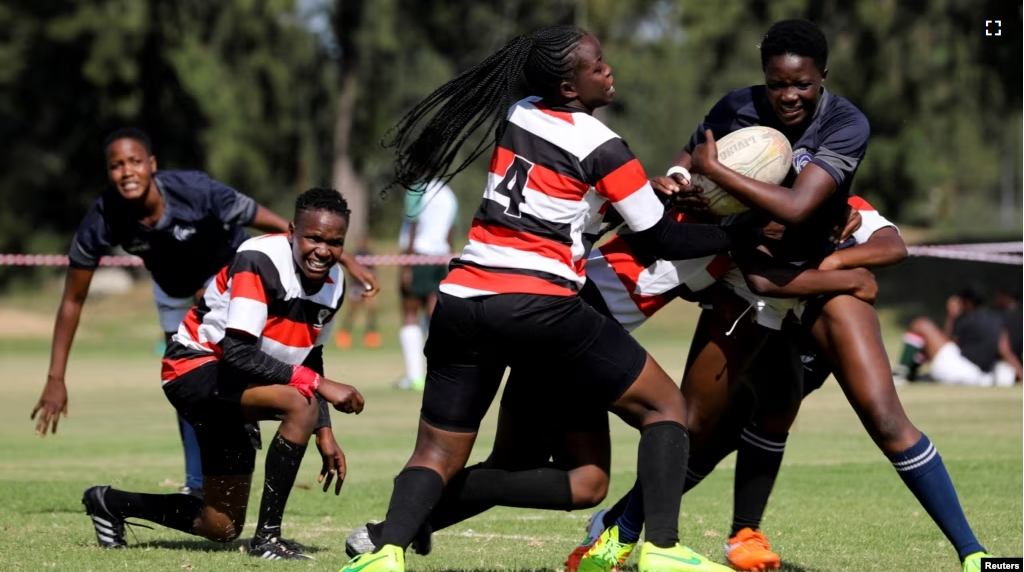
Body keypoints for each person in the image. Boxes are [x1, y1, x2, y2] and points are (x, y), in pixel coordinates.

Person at [577, 19, 993, 572]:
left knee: (882, 415)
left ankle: (975, 555)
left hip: (809, 277)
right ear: (764, 78)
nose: (789, 95)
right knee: (700, 424)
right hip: (746, 280)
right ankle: (619, 531)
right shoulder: (737, 108)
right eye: (777, 83)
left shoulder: (845, 126)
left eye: (802, 83)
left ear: (823, 76)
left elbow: (809, 214)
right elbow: (708, 184)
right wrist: (686, 174)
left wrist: (837, 266)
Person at [339, 25, 744, 572]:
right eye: (596, 65)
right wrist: (739, 234)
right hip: (539, 305)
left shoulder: (521, 113)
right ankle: (663, 550)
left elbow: (570, 198)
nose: (608, 69)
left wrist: (642, 189)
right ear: (570, 87)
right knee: (665, 408)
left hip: (461, 300)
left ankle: (384, 553)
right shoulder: (603, 147)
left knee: (438, 453)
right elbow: (661, 241)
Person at [30, 128, 378, 499]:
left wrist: (341, 259)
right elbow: (72, 300)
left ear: (152, 165)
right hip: (173, 292)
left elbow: (279, 224)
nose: (127, 172)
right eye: (116, 165)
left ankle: (232, 437)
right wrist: (55, 377)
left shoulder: (193, 190)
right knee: (189, 378)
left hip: (230, 274)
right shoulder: (104, 215)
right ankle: (196, 483)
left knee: (240, 364)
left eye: (134, 162)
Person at [81, 187, 365, 560]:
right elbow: (237, 354)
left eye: (335, 242)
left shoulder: (334, 285)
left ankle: (109, 502)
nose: (323, 250)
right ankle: (268, 539)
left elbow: (309, 357)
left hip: (236, 383)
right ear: (293, 230)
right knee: (300, 401)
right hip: (193, 369)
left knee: (221, 527)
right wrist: (319, 388)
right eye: (313, 237)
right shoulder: (258, 260)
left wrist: (324, 431)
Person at [395, 179, 458, 390]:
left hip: (419, 256)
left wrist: (407, 266)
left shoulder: (417, 189)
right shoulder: (448, 192)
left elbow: (413, 223)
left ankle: (415, 376)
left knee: (410, 313)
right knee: (435, 316)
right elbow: (451, 229)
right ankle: (441, 372)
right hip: (440, 258)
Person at [900, 286, 1019, 386]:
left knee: (921, 324)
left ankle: (902, 374)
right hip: (983, 377)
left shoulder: (967, 319)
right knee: (925, 343)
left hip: (962, 370)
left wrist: (951, 316)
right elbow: (1005, 351)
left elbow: (949, 342)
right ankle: (910, 375)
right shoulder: (996, 320)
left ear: (967, 302)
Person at [336, 236, 382, 350]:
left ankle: (370, 336)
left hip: (367, 286)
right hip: (356, 287)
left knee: (372, 311)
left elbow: (373, 270)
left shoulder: (369, 253)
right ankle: (344, 334)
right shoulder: (355, 254)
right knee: (352, 312)